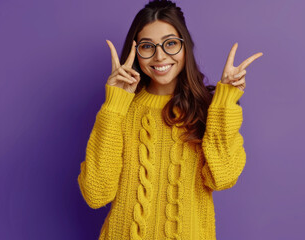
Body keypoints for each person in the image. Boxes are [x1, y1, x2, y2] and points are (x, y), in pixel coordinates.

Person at [77, 0, 263, 239]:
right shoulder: (120, 109)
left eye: (171, 44)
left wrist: (225, 101)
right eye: (147, 46)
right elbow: (96, 193)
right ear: (135, 52)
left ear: (186, 46)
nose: (160, 56)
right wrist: (114, 104)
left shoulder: (211, 109)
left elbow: (223, 178)